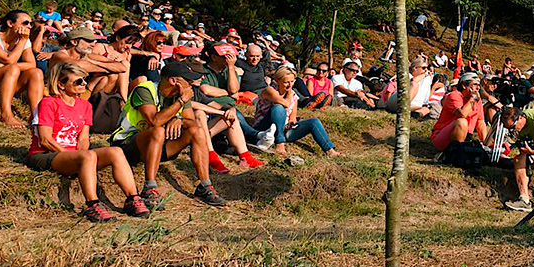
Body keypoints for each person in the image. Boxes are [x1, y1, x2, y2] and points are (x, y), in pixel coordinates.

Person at [33, 62, 148, 221]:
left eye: (84, 80)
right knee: (87, 157)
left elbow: (84, 138)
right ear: (61, 85)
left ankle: (132, 198)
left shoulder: (85, 105)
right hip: (46, 154)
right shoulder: (48, 103)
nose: (84, 84)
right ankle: (92, 204)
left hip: (73, 155)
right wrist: (73, 157)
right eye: (78, 82)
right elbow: (45, 139)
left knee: (115, 151)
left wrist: (79, 155)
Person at [110, 68, 227, 208]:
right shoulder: (145, 90)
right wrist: (182, 101)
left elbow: (191, 122)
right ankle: (149, 188)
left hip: (157, 147)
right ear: (173, 81)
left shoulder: (181, 94)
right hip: (126, 144)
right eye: (188, 82)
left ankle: (205, 186)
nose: (191, 86)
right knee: (158, 130)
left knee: (197, 131)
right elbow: (155, 121)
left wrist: (179, 119)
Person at [255, 64, 336, 165]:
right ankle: (280, 144)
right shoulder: (269, 91)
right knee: (278, 108)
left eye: (292, 81)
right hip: (264, 127)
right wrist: (289, 95)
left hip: (283, 129)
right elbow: (285, 104)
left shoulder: (293, 96)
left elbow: (292, 117)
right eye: (286, 82)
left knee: (314, 121)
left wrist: (292, 123)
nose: (289, 85)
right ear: (277, 81)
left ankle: (330, 150)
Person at [430, 74, 492, 168]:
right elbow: (462, 114)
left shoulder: (477, 101)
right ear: (464, 85)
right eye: (475, 84)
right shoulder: (454, 95)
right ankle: (454, 153)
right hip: (442, 136)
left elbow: (481, 123)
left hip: (466, 137)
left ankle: (461, 152)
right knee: (462, 121)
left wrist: (485, 144)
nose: (478, 88)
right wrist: (472, 99)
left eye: (479, 85)